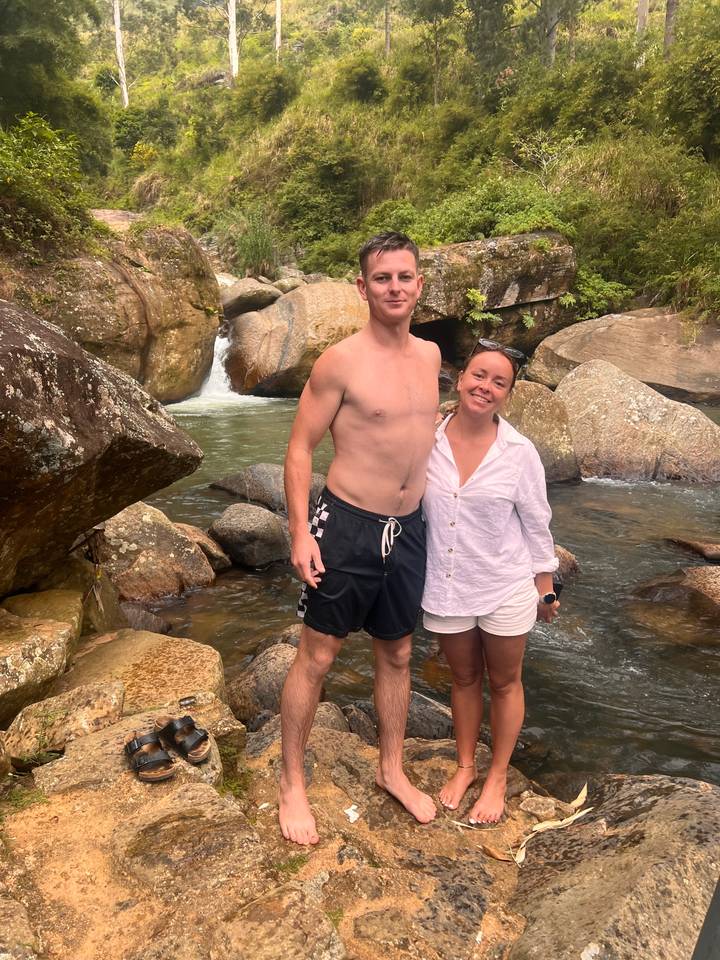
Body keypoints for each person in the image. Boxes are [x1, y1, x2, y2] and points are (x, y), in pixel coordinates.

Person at [279, 232, 442, 845]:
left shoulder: (430, 356)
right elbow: (300, 449)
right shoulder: (340, 362)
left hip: (409, 529)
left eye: (404, 276)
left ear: (419, 284)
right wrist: (300, 532)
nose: (394, 287)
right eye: (381, 278)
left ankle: (391, 769)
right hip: (346, 526)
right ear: (362, 287)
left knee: (397, 653)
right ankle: (292, 782)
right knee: (318, 655)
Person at [421, 339, 560, 824]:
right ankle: (466, 766)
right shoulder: (428, 439)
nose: (486, 387)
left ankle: (497, 774)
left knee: (504, 682)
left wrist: (546, 588)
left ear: (508, 395)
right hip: (446, 584)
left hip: (504, 586)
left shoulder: (519, 452)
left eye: (499, 382)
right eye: (479, 375)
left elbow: (537, 524)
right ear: (460, 379)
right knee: (463, 678)